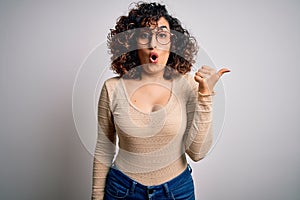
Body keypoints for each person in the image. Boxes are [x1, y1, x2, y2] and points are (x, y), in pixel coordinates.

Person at [92, 2, 230, 199]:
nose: (153, 44)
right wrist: (96, 197)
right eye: (144, 35)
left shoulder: (190, 85)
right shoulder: (112, 88)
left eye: (162, 35)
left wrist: (205, 96)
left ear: (173, 44)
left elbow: (197, 153)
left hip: (176, 191)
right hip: (122, 191)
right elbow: (104, 148)